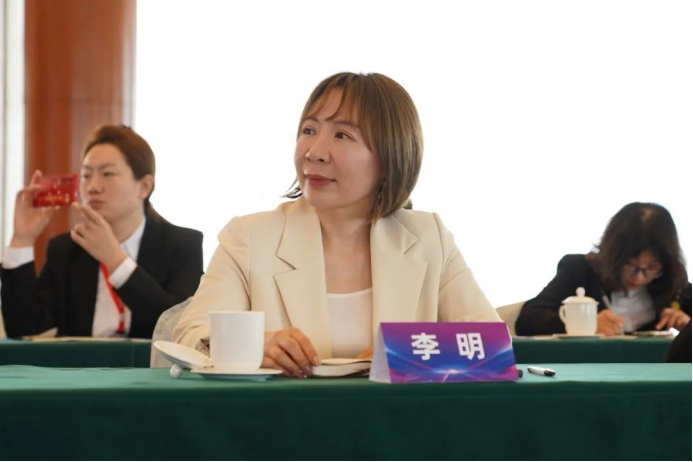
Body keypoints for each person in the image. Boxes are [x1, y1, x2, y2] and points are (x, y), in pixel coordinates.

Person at [174, 72, 501, 377]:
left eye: (342, 135)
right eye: (309, 131)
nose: (314, 153)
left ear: (390, 158)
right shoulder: (249, 238)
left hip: (398, 417)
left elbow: (492, 347)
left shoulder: (429, 237)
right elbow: (189, 338)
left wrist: (403, 354)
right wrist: (250, 347)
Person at [1, 125, 204, 339]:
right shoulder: (66, 249)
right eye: (86, 175)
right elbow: (23, 328)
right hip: (83, 362)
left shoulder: (182, 246)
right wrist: (22, 240)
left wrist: (115, 260)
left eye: (107, 174)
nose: (93, 187)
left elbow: (177, 328)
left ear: (144, 186)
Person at [516, 203, 692, 336]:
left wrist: (687, 327)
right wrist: (584, 326)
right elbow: (528, 320)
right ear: (613, 255)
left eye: (651, 268)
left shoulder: (673, 282)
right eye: (630, 265)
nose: (639, 278)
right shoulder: (579, 270)